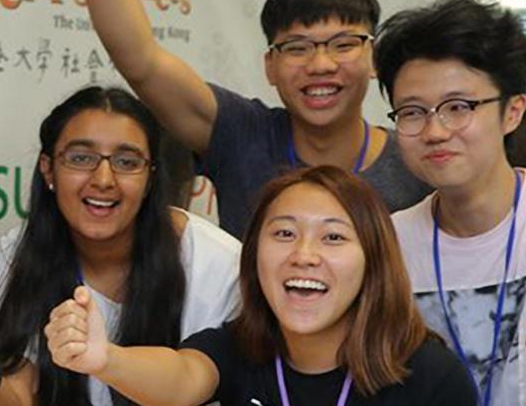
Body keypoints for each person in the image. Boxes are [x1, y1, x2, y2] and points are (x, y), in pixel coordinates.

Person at [50, 166, 475, 405]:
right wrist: (105, 359)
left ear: (373, 262)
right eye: (284, 234)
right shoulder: (238, 350)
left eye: (333, 237)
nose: (304, 254)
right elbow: (181, 379)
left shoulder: (431, 377)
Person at [75, 0, 430, 237]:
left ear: (374, 58)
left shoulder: (418, 160)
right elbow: (141, 60)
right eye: (297, 47)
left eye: (343, 45)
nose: (321, 64)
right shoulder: (242, 134)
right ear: (270, 66)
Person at [0, 86, 240, 405]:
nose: (104, 179)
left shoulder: (220, 267)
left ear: (151, 178)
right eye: (81, 158)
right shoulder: (17, 260)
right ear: (48, 169)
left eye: (126, 162)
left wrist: (107, 359)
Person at [371, 0, 526, 406]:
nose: (435, 131)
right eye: (412, 112)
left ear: (513, 111)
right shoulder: (386, 244)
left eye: (458, 106)